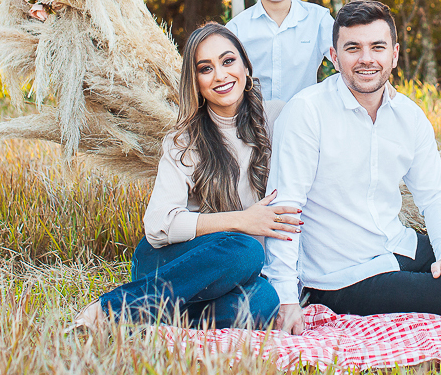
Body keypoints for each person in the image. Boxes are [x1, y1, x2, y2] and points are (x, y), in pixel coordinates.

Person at [264, 0, 441, 334]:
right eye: (353, 48)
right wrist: (285, 298)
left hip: (397, 244)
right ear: (334, 56)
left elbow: (435, 195)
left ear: (394, 54)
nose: (366, 59)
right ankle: (418, 288)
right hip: (341, 275)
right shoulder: (306, 112)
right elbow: (285, 208)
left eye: (377, 47)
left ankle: (419, 280)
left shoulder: (409, 115)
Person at [73, 23, 301, 330]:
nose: (220, 75)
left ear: (246, 66)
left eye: (228, 61)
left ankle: (146, 314)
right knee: (246, 250)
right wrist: (241, 220)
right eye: (206, 68)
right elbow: (158, 226)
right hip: (171, 264)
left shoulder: (276, 118)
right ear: (195, 82)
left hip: (229, 278)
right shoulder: (185, 141)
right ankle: (107, 310)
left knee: (263, 301)